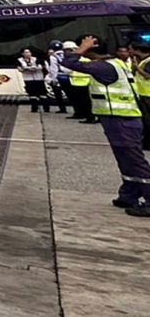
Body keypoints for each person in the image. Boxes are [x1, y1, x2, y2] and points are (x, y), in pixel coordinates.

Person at [61, 35, 150, 216]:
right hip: (119, 119)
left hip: (122, 120)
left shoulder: (104, 66)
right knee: (125, 160)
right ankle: (129, 194)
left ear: (91, 50)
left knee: (134, 161)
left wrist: (80, 49)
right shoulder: (115, 64)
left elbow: (69, 62)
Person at [62, 39, 95, 122]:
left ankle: (89, 117)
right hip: (76, 82)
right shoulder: (75, 59)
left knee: (86, 102)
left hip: (84, 83)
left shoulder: (82, 59)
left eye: (67, 50)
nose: (66, 52)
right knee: (80, 101)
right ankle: (83, 114)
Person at [130, 40, 150, 150]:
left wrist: (137, 67)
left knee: (147, 121)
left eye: (132, 49)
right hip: (143, 93)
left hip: (148, 95)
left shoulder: (148, 61)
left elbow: (147, 76)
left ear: (138, 50)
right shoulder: (143, 61)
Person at [17, 48, 48, 113]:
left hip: (38, 78)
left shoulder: (35, 59)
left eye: (29, 52)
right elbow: (19, 68)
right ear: (22, 54)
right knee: (32, 94)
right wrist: (25, 69)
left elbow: (40, 66)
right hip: (28, 79)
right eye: (26, 52)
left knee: (42, 94)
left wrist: (35, 68)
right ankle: (34, 108)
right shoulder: (20, 60)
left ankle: (46, 108)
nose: (28, 54)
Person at [45, 41, 71, 114]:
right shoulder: (66, 54)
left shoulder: (53, 56)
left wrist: (54, 79)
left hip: (59, 76)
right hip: (69, 76)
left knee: (58, 94)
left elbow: (54, 69)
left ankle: (62, 109)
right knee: (70, 94)